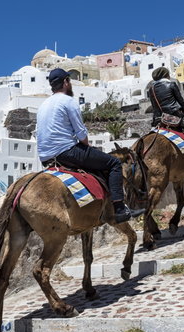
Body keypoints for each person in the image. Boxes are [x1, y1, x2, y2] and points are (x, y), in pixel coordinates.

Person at [36, 68, 145, 223]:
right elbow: (82, 136)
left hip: (46, 157)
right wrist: (87, 146)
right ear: (66, 82)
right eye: (69, 81)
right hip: (67, 152)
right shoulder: (68, 101)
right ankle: (120, 209)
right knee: (113, 163)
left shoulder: (43, 105)